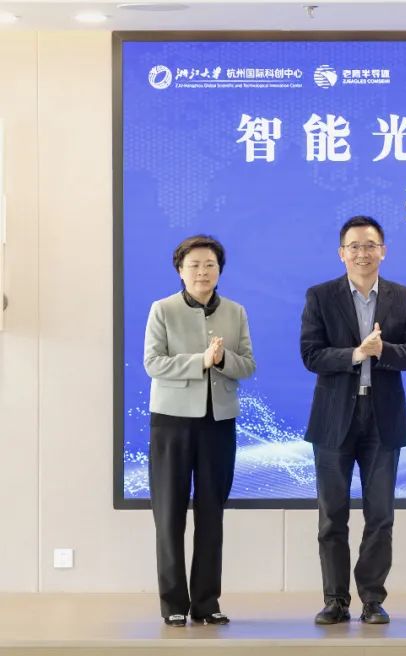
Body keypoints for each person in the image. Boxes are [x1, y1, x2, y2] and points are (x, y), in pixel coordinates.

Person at [300, 216, 406, 625]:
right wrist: (356, 354)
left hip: (382, 419)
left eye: (370, 245)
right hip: (334, 418)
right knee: (332, 515)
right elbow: (311, 355)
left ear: (383, 251)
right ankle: (335, 600)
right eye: (354, 246)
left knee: (381, 515)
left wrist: (381, 349)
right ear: (342, 253)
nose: (362, 253)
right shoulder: (320, 296)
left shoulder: (404, 297)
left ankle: (372, 599)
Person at [143, 234, 256, 627]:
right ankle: (173, 602)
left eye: (210, 265)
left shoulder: (236, 312)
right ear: (180, 270)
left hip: (218, 423)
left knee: (211, 515)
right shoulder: (162, 309)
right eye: (194, 265)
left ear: (219, 270)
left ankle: (207, 602)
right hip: (171, 422)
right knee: (169, 514)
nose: (202, 272)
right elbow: (153, 363)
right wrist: (201, 361)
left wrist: (222, 360)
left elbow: (248, 365)